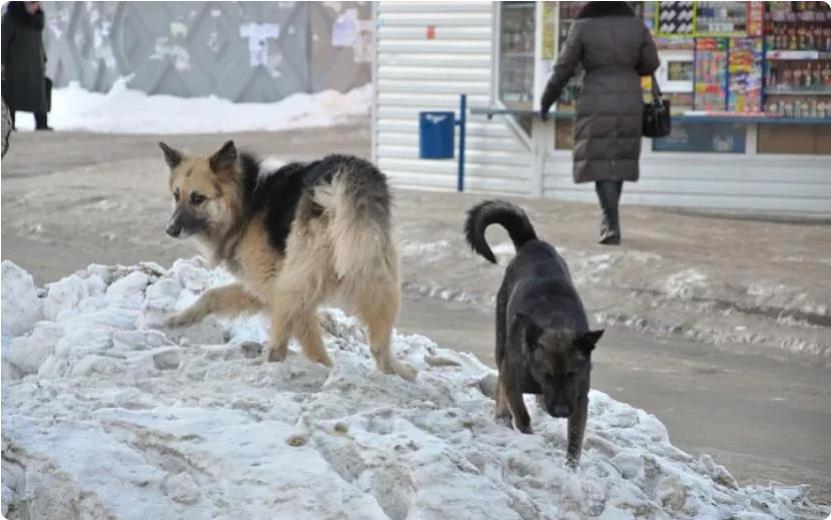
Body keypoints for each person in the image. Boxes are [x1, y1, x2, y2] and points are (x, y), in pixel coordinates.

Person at [540, 1, 658, 245]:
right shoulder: (636, 26)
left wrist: (547, 99)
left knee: (600, 158)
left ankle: (610, 223)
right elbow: (650, 63)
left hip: (595, 96)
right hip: (628, 97)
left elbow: (564, 68)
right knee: (619, 157)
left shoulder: (583, 26)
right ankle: (611, 221)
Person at [2, 1, 51, 131]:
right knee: (12, 96)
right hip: (15, 66)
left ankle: (42, 124)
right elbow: (3, 41)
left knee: (39, 97)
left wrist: (43, 58)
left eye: (37, 3)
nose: (35, 6)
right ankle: (10, 125)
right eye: (32, 3)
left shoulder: (38, 18)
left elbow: (39, 41)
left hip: (35, 63)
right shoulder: (12, 17)